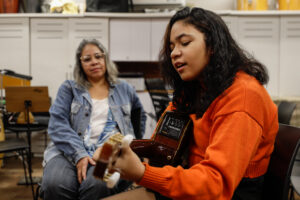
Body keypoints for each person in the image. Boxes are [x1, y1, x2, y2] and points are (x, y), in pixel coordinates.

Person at [100, 7, 279, 200]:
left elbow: (215, 184)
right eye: (171, 47)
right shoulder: (194, 89)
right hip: (191, 184)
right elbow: (162, 146)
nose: (174, 53)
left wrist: (142, 173)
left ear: (213, 45)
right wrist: (117, 149)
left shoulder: (243, 96)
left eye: (184, 43)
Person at [41, 38, 147, 200]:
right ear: (80, 64)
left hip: (107, 151)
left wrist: (134, 148)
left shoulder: (124, 88)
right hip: (67, 150)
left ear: (105, 59)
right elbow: (57, 125)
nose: (94, 62)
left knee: (98, 185)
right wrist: (80, 155)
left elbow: (139, 116)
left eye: (98, 56)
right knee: (55, 184)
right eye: (87, 59)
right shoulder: (69, 88)